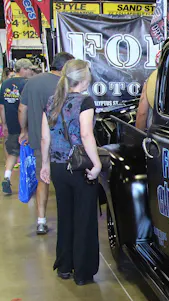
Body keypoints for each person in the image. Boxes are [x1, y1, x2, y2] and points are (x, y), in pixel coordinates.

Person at [40, 59, 101, 285]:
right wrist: (97, 164)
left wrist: (45, 165)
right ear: (84, 79)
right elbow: (86, 135)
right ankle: (82, 272)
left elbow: (45, 137)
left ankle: (64, 266)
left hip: (58, 166)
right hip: (79, 166)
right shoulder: (85, 101)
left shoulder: (52, 101)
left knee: (65, 216)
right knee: (84, 218)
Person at [18, 52, 74, 235]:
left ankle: (41, 221)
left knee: (43, 178)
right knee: (66, 180)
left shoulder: (32, 82)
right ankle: (69, 219)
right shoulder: (67, 84)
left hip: (38, 139)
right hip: (64, 142)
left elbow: (22, 109)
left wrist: (24, 130)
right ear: (65, 67)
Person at [1, 59, 34, 195]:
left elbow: (2, 106)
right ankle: (29, 182)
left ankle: (7, 177)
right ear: (23, 69)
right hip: (26, 125)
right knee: (30, 154)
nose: (31, 72)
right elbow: (25, 107)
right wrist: (25, 128)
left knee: (13, 153)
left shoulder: (5, 84)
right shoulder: (27, 84)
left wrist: (4, 124)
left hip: (11, 124)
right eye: (30, 69)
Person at [136, 54, 160, 130]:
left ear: (157, 65)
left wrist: (139, 134)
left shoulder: (152, 81)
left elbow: (142, 113)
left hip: (157, 131)